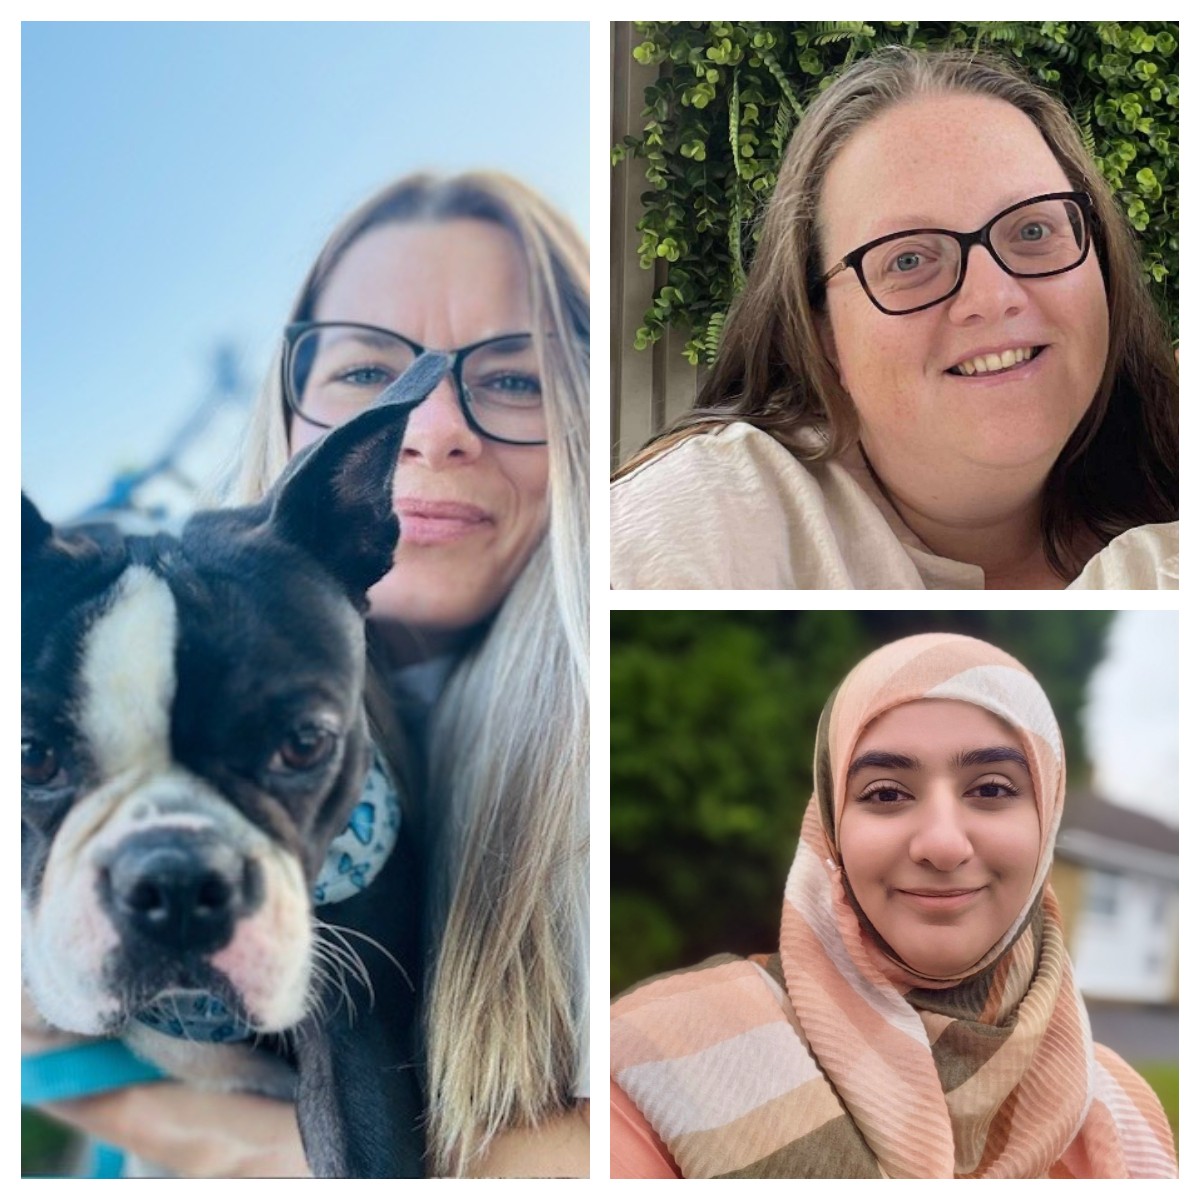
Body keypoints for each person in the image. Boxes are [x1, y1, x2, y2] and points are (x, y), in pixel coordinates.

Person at [23, 171, 590, 1178]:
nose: (432, 426)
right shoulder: (97, 608)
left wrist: (204, 1137)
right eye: (371, 375)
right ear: (288, 411)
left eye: (513, 378)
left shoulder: (598, 751)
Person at [610, 633, 1177, 1178]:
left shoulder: (1121, 1107)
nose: (942, 844)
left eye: (992, 789)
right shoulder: (659, 1065)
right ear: (831, 827)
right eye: (886, 794)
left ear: (1047, 818)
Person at [610, 48, 1178, 590]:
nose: (992, 296)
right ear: (822, 331)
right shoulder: (698, 528)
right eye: (908, 259)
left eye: (1032, 230)